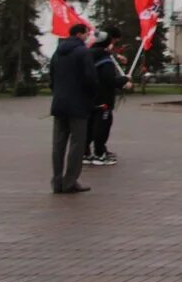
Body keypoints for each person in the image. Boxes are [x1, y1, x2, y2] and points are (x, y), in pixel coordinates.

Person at [50, 22, 97, 194]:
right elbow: (90, 79)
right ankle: (70, 181)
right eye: (86, 34)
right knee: (77, 143)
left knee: (58, 144)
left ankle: (57, 180)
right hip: (78, 104)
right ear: (79, 34)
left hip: (59, 103)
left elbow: (52, 77)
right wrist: (90, 98)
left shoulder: (58, 52)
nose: (87, 37)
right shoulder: (82, 52)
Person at [86, 26, 130, 166]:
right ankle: (100, 154)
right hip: (103, 98)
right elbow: (109, 81)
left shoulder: (88, 55)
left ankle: (85, 152)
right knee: (102, 126)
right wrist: (124, 80)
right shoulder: (105, 61)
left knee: (89, 125)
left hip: (90, 97)